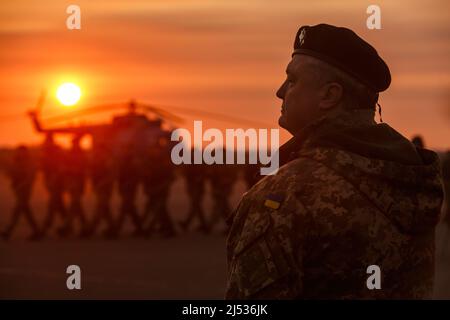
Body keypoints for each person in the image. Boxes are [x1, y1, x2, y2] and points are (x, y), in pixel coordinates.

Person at [226, 24, 444, 299]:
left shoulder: (286, 193)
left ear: (329, 95)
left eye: (292, 80)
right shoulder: (413, 178)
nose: (280, 92)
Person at [2, 145, 41, 240]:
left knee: (18, 210)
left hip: (24, 189)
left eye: (22, 151)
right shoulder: (16, 161)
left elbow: (30, 177)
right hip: (18, 189)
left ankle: (8, 230)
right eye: (19, 151)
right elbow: (11, 173)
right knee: (25, 210)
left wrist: (22, 185)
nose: (20, 153)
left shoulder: (29, 162)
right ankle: (36, 231)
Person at [41, 133, 70, 237]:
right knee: (60, 206)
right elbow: (45, 170)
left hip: (58, 184)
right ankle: (68, 227)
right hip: (52, 184)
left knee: (52, 206)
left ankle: (44, 228)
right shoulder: (47, 153)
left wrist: (54, 180)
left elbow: (61, 169)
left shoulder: (57, 153)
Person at [64, 135, 89, 237]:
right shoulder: (71, 154)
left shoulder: (81, 154)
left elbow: (84, 169)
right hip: (72, 182)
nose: (73, 145)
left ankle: (68, 226)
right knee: (76, 205)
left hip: (78, 182)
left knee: (75, 203)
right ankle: (84, 226)